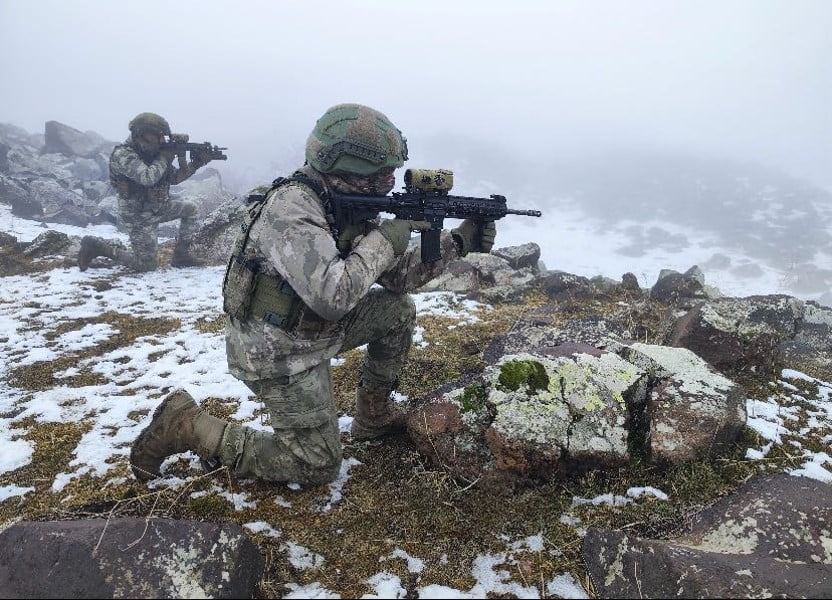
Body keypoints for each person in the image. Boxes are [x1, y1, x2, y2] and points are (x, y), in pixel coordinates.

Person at [130, 103, 496, 486]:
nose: (389, 181)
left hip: (315, 329)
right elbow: (333, 295)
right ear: (342, 167)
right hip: (275, 349)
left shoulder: (343, 200)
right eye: (378, 174)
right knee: (315, 464)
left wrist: (459, 241)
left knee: (396, 310)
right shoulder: (291, 208)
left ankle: (373, 416)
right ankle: (187, 425)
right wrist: (388, 237)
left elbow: (397, 277)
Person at [77, 112, 213, 272]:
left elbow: (174, 178)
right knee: (146, 265)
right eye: (158, 136)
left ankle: (181, 256)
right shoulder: (123, 155)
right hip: (137, 216)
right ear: (141, 135)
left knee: (191, 209)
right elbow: (147, 177)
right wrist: (165, 158)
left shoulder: (152, 153)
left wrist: (196, 163)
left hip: (157, 208)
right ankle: (98, 247)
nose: (162, 140)